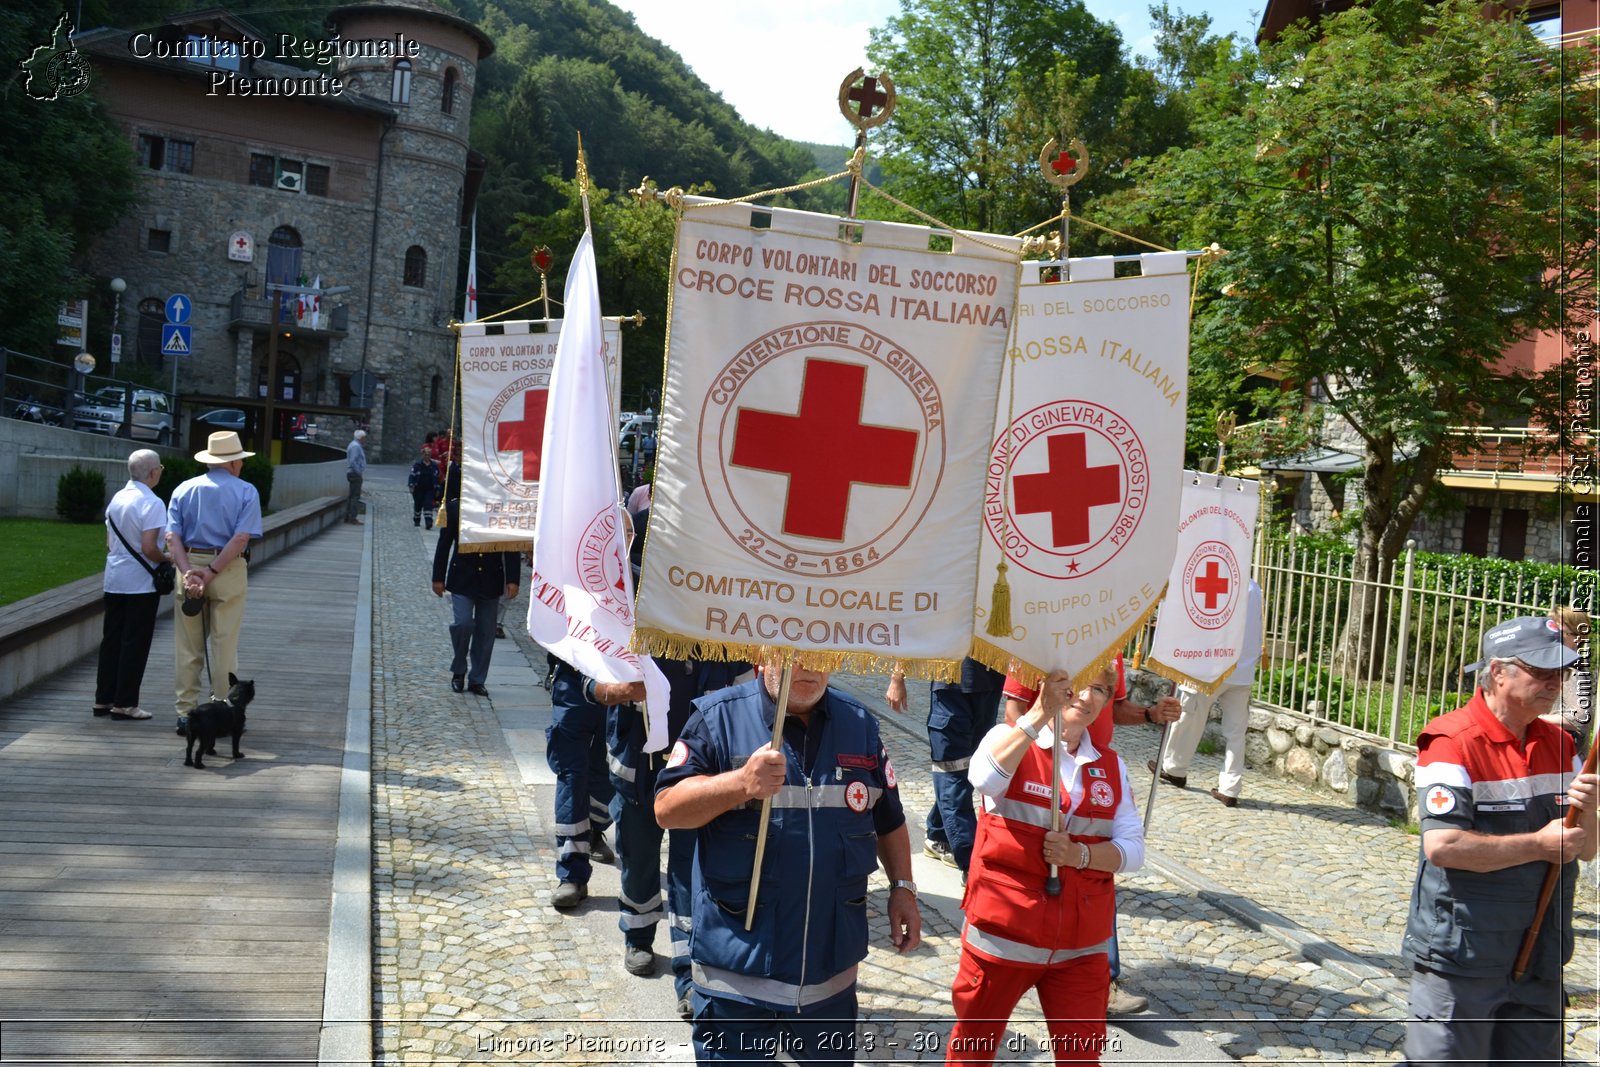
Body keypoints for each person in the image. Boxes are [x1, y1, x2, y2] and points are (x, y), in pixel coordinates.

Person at [656, 656, 921, 1065]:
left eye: (821, 657)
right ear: (764, 655)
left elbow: (889, 818)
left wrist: (902, 888)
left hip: (828, 982)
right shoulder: (718, 717)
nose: (809, 669)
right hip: (737, 978)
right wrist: (740, 784)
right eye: (794, 657)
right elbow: (668, 808)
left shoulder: (859, 725)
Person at [1402, 614, 1595, 1066]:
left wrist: (1591, 808)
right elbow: (1443, 846)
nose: (1555, 682)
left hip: (1540, 951)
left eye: (1561, 672)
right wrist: (1540, 845)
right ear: (1497, 672)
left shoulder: (1561, 745)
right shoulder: (1451, 741)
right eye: (1540, 671)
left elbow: (1586, 848)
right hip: (1465, 955)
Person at [948, 665, 1144, 1065]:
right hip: (1004, 939)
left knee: (1082, 1059)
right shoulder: (1008, 737)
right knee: (972, 1053)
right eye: (1081, 685)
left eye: (1102, 691)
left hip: (1081, 946)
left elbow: (1134, 850)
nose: (1089, 698)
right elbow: (983, 778)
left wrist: (1080, 856)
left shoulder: (1111, 765)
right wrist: (1039, 714)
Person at [1001, 655, 1179, 1016]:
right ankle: (1017, 969)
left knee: (1096, 880)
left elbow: (1114, 709)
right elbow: (1015, 709)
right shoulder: (1039, 638)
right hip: (1045, 774)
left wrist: (1149, 715)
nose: (1087, 695)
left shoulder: (1112, 640)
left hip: (1094, 774)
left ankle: (1103, 981)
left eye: (1096, 687)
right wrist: (1040, 756)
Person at [594, 658, 750, 1006]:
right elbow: (592, 683)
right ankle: (637, 935)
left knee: (692, 872)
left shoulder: (721, 626)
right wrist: (619, 690)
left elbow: (746, 695)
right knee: (638, 859)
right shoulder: (632, 622)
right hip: (640, 768)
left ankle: (690, 970)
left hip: (698, 774)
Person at [168, 431, 263, 736]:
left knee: (188, 647)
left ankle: (185, 713)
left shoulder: (184, 489)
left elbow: (172, 537)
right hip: (227, 569)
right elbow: (240, 538)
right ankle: (222, 708)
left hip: (189, 567)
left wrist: (188, 573)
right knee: (224, 646)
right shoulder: (246, 491)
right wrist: (211, 571)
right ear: (234, 461)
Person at [886, 657, 1006, 877]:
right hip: (950, 689)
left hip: (990, 686)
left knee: (970, 772)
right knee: (952, 776)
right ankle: (971, 864)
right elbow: (922, 626)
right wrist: (897, 678)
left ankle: (938, 834)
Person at [1152, 579, 1263, 807]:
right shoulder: (1253, 588)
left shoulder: (1223, 582)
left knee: (1188, 717)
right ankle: (1230, 788)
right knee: (1236, 732)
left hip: (1212, 667)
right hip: (1241, 670)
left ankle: (1175, 768)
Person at [431, 461, 520, 697]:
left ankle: (478, 679)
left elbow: (510, 546)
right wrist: (437, 577)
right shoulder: (456, 508)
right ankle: (459, 669)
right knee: (463, 624)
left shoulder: (501, 509)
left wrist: (513, 579)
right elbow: (444, 544)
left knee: (485, 632)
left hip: (491, 578)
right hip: (462, 576)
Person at [94, 449, 168, 721]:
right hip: (140, 583)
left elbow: (108, 542)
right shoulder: (152, 502)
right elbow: (150, 548)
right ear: (153, 473)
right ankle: (125, 703)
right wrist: (168, 557)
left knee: (112, 639)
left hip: (114, 577)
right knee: (134, 642)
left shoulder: (117, 499)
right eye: (160, 468)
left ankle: (104, 699)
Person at [546, 660, 619, 908]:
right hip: (574, 676)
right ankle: (571, 874)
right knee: (571, 775)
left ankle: (594, 827)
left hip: (623, 681)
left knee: (613, 771)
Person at [1538, 606, 1592, 755]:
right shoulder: (1555, 663)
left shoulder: (1573, 670)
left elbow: (1579, 718)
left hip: (1563, 758)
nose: (1551, 635)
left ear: (1578, 637)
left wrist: (1534, 717)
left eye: (1559, 632)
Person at [408, 443, 439, 529]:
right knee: (418, 505)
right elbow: (412, 475)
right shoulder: (417, 465)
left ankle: (428, 521)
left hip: (429, 489)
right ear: (422, 454)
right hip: (418, 489)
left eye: (429, 454)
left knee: (428, 504)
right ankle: (417, 519)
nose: (427, 456)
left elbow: (436, 477)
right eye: (425, 454)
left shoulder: (434, 466)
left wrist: (437, 488)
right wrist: (411, 485)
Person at [344, 428, 367, 524]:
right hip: (355, 473)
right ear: (361, 438)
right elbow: (353, 461)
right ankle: (352, 517)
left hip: (352, 472)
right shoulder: (356, 446)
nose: (365, 440)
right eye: (364, 438)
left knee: (351, 495)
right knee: (355, 496)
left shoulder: (353, 445)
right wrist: (358, 471)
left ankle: (348, 516)